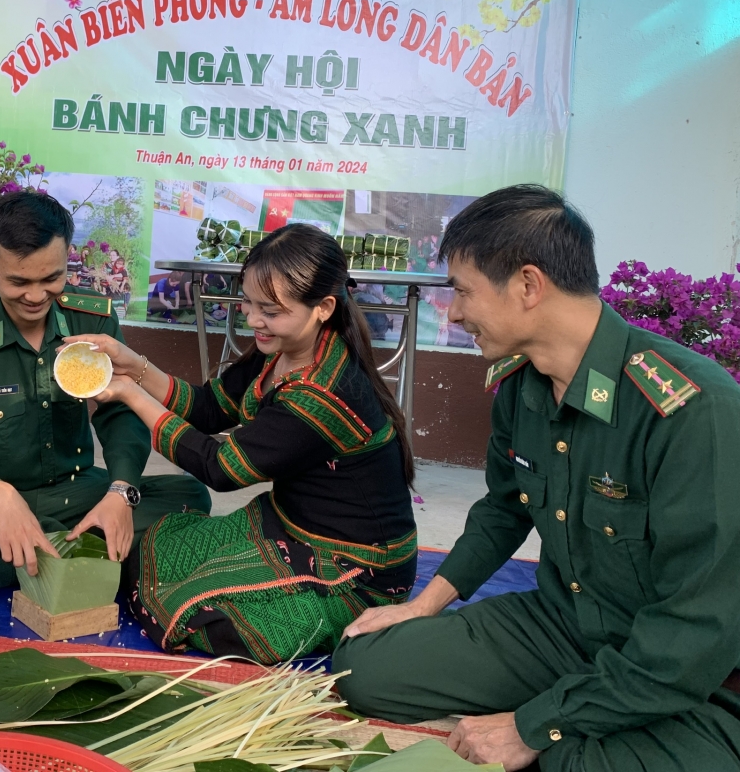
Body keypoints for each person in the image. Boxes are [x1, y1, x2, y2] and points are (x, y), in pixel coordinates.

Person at [333, 185, 740, 772]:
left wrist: (534, 725)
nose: (454, 312)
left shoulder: (691, 411)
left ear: (527, 285)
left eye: (463, 291)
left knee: (566, 759)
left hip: (676, 664)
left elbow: (695, 631)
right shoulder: (523, 387)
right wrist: (423, 606)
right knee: (363, 668)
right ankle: (590, 714)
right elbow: (503, 509)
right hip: (566, 628)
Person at [77, 223, 417, 662]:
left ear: (324, 308)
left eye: (270, 310)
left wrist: (128, 393)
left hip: (354, 568)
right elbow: (207, 408)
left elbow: (221, 469)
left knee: (210, 622)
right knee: (157, 551)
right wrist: (132, 364)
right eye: (250, 304)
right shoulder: (280, 347)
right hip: (289, 525)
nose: (254, 320)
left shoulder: (322, 393)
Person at [0, 191, 210, 599]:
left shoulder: (92, 319)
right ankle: (72, 551)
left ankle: (9, 565)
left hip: (74, 491)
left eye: (51, 278)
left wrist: (121, 492)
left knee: (190, 496)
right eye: (18, 281)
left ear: (68, 257)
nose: (35, 296)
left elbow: (119, 413)